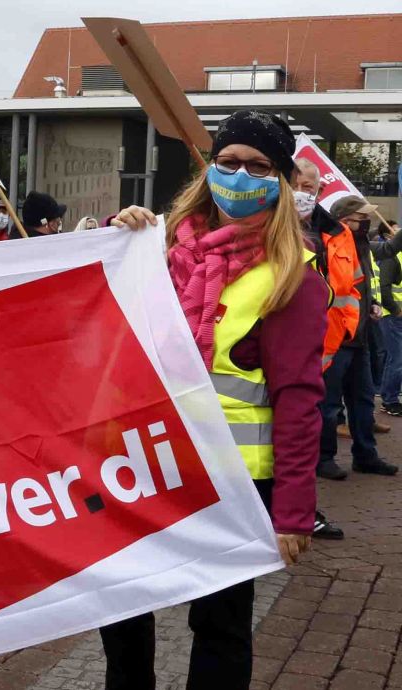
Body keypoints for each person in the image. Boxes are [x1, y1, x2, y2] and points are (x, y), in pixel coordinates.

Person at [106, 110, 326, 689]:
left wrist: (294, 511)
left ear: (279, 181)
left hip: (233, 480)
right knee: (121, 605)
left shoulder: (293, 277)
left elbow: (300, 399)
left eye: (259, 167)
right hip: (145, 462)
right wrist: (116, 235)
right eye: (229, 163)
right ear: (209, 171)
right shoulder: (156, 249)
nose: (241, 176)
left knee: (220, 625)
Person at [317, 196, 399, 479]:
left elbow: (362, 283)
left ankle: (365, 455)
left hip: (359, 336)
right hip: (335, 338)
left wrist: (374, 302)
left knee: (363, 401)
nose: (367, 222)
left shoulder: (361, 246)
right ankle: (324, 458)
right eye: (361, 217)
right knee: (329, 404)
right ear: (344, 219)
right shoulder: (326, 244)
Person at [289, 159, 346, 540]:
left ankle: (301, 512)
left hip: (322, 344)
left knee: (302, 430)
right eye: (301, 185)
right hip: (285, 351)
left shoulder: (328, 231)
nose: (306, 193)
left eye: (312, 187)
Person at [375, 220, 402, 415]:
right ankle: (390, 399)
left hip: (397, 316)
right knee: (397, 359)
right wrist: (395, 310)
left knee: (397, 358)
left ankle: (389, 396)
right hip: (393, 317)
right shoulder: (392, 258)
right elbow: (384, 287)